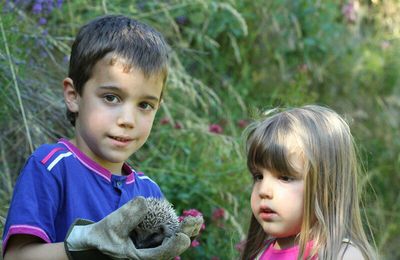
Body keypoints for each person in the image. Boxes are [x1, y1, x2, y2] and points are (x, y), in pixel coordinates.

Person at [2, 14, 203, 260]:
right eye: (111, 97)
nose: (127, 120)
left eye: (145, 105)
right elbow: (15, 256)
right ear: (74, 95)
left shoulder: (149, 190)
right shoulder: (51, 167)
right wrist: (82, 244)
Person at [240, 105, 377, 260]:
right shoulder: (260, 253)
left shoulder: (342, 255)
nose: (264, 190)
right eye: (259, 176)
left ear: (326, 187)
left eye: (285, 177)